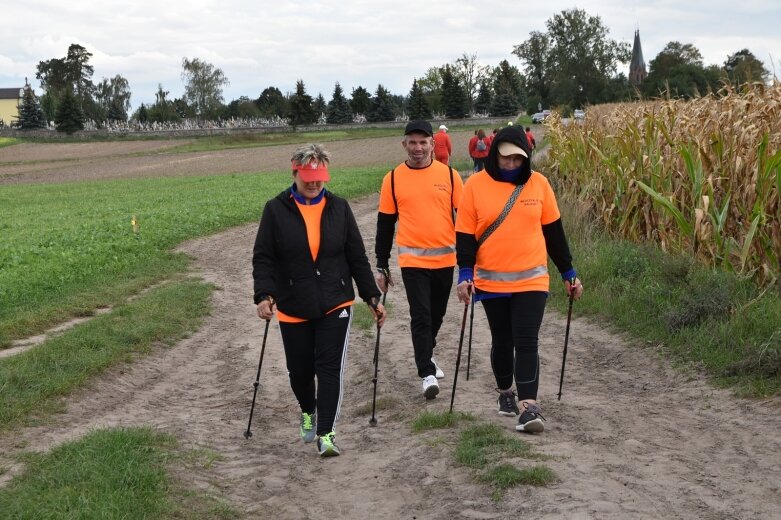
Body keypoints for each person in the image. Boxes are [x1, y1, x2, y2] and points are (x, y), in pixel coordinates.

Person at [253, 143, 386, 457]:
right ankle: (308, 410)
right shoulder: (275, 209)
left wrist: (371, 296)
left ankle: (326, 433)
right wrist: (263, 295)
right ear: (295, 172)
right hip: (292, 301)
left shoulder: (339, 207)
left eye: (319, 179)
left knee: (329, 369)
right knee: (299, 371)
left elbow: (357, 257)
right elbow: (264, 258)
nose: (314, 184)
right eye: (307, 178)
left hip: (334, 300)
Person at [454, 126, 583, 434]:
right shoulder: (474, 186)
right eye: (505, 159)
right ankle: (504, 392)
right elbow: (465, 237)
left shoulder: (539, 185)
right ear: (494, 154)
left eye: (518, 159)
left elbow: (554, 233)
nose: (511, 165)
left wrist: (568, 273)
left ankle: (528, 407)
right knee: (503, 340)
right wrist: (465, 274)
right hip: (492, 280)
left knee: (527, 341)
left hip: (532, 279)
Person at [375, 120, 464, 400]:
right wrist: (381, 263)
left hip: (445, 261)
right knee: (421, 316)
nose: (417, 148)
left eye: (423, 142)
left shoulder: (450, 176)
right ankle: (426, 372)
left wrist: (469, 261)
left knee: (436, 316)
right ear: (404, 144)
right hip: (412, 261)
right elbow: (385, 223)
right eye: (412, 142)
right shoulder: (392, 178)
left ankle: (427, 352)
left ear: (432, 145)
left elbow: (464, 221)